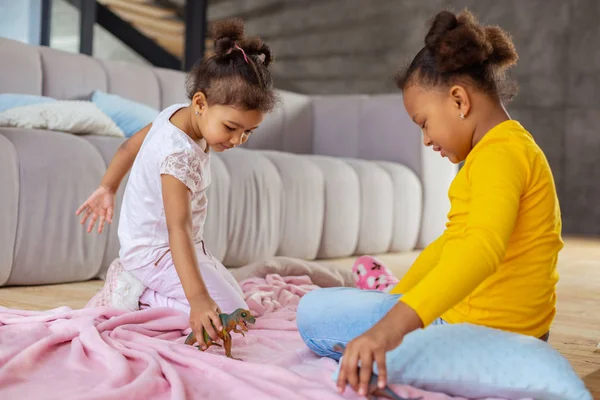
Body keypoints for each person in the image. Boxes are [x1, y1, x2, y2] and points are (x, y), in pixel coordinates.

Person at [296, 9, 563, 397]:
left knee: (313, 313)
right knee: (367, 305)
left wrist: (387, 328)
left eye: (423, 122)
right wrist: (397, 299)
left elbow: (479, 250)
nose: (425, 139)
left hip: (484, 343)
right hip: (513, 335)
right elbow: (451, 242)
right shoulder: (505, 148)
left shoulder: (498, 156)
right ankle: (388, 303)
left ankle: (405, 359)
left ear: (459, 100)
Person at [76, 18, 278, 350]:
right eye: (231, 127)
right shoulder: (179, 157)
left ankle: (154, 288)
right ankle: (134, 294)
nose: (238, 139)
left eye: (247, 132)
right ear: (200, 104)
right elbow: (178, 230)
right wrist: (198, 299)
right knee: (223, 315)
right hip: (157, 253)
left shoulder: (174, 114)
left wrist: (107, 187)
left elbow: (129, 146)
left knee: (237, 306)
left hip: (172, 246)